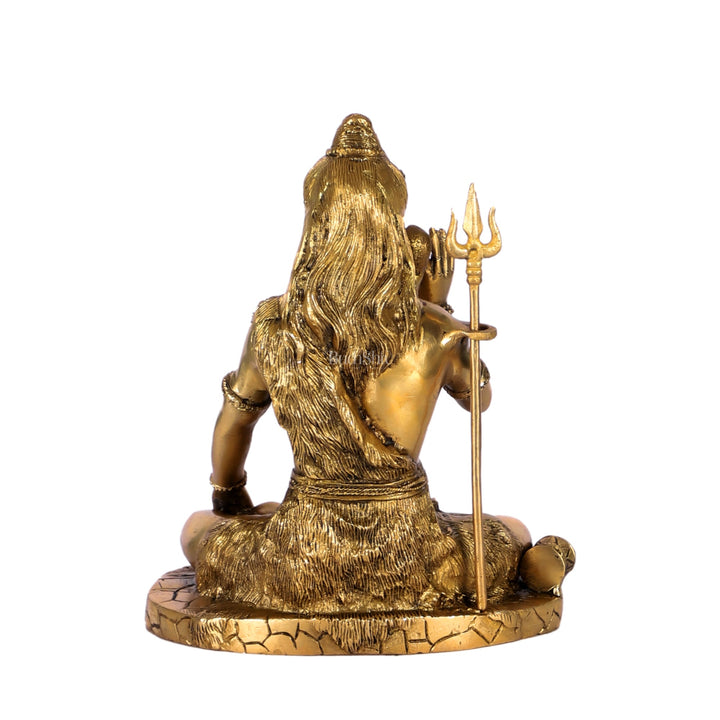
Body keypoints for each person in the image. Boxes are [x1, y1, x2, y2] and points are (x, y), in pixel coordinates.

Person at [180, 114, 534, 615]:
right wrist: (440, 310)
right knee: (513, 530)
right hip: (414, 553)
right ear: (392, 223)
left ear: (315, 223)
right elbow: (480, 399)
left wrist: (229, 495)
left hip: (301, 557)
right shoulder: (433, 327)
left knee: (196, 528)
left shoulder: (276, 326)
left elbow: (234, 422)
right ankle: (536, 564)